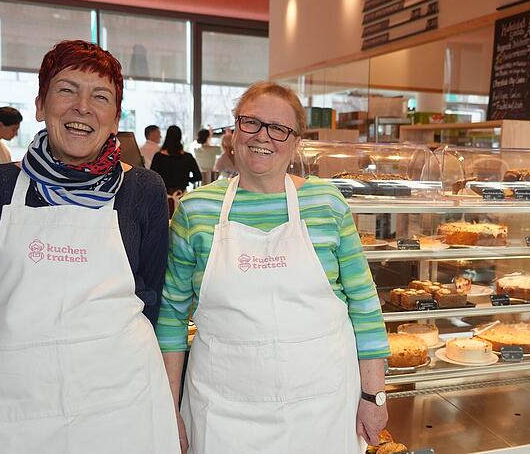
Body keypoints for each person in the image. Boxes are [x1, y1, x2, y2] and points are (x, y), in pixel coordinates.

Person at [0, 39, 180, 454]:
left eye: (100, 97)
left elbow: (151, 294)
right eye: (66, 90)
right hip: (13, 403)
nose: (82, 107)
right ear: (41, 105)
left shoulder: (142, 188)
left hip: (121, 400)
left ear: (115, 118)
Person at [157, 81, 390, 454]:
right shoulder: (196, 210)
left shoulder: (326, 204)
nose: (262, 136)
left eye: (279, 128)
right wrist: (168, 409)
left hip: (323, 409)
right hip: (223, 414)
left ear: (296, 141)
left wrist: (373, 395)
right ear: (235, 130)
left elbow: (365, 306)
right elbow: (170, 318)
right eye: (251, 122)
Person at [150, 125, 202, 194]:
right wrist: (186, 179)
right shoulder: (188, 157)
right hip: (182, 194)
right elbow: (198, 176)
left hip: (164, 194)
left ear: (167, 137)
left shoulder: (159, 157)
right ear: (180, 138)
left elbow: (152, 178)